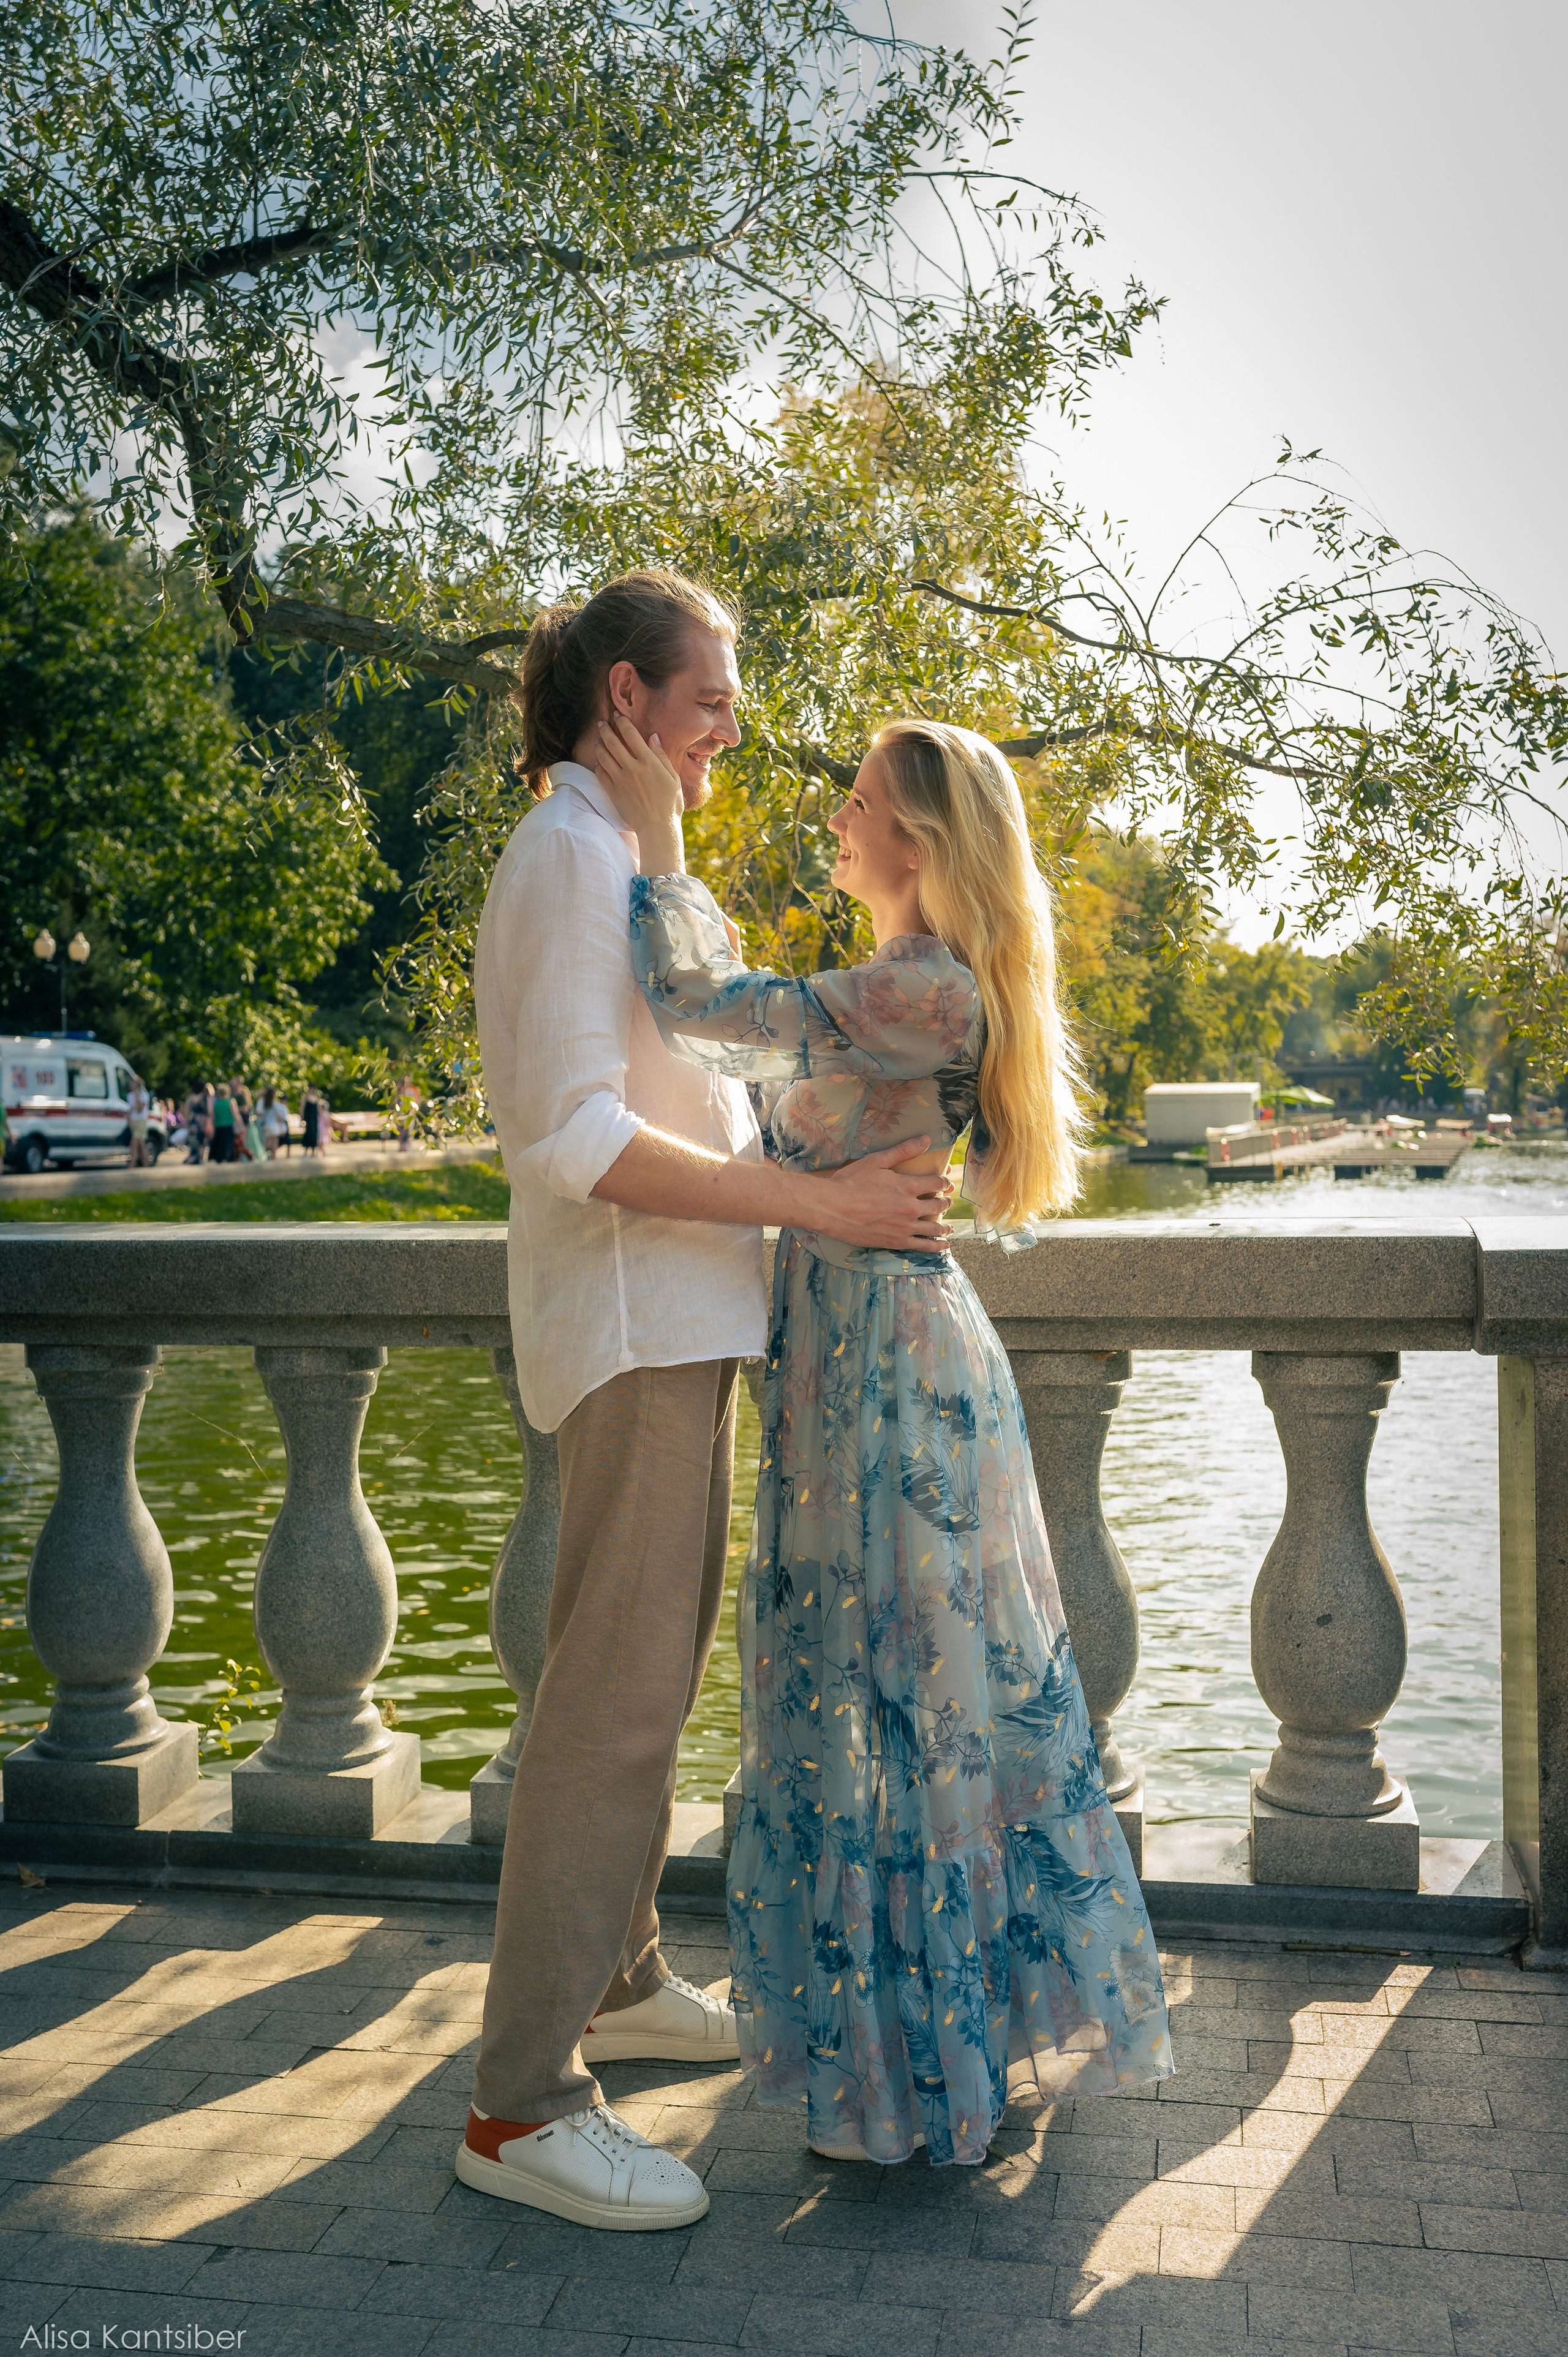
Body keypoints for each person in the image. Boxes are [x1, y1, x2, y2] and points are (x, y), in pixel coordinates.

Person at [606, 712, 1173, 2167]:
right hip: (836, 1373)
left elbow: (696, 1003)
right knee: (871, 1693)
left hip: (890, 1376)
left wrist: (654, 821)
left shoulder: (920, 990)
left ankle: (915, 2073)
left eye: (856, 803)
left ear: (916, 842)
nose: (837, 822)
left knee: (912, 1703)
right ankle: (907, 2048)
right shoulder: (892, 986)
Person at [457, 570, 952, 2233]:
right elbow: (572, 1139)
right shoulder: (564, 862)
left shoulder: (629, 860)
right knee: (605, 1721)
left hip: (688, 1331)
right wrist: (820, 1211)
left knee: (642, 1701)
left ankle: (621, 1981)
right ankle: (521, 2109)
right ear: (625, 699)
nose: (733, 731)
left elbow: (707, 1071)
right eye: (713, 702)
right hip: (633, 1341)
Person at [209, 1082, 238, 1163]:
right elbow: (236, 1115)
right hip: (229, 1126)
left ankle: (219, 1158)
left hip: (218, 1126)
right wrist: (241, 1126)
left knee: (219, 1144)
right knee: (228, 1144)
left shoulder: (216, 1103)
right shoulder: (231, 1101)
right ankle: (227, 1158)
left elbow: (213, 1116)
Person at [126, 1074, 150, 1167]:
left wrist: (137, 1097)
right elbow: (130, 1109)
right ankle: (145, 1164)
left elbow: (139, 1109)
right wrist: (128, 1120)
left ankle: (132, 1164)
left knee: (134, 1143)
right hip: (134, 1121)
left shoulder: (144, 1095)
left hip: (141, 1120)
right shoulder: (129, 1095)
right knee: (141, 1144)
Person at [300, 1088, 320, 1156]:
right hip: (308, 1119)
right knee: (308, 1134)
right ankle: (306, 1151)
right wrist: (302, 1119)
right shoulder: (305, 1098)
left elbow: (318, 1110)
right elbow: (302, 1109)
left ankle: (314, 1151)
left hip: (314, 1120)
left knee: (314, 1134)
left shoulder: (316, 1098)